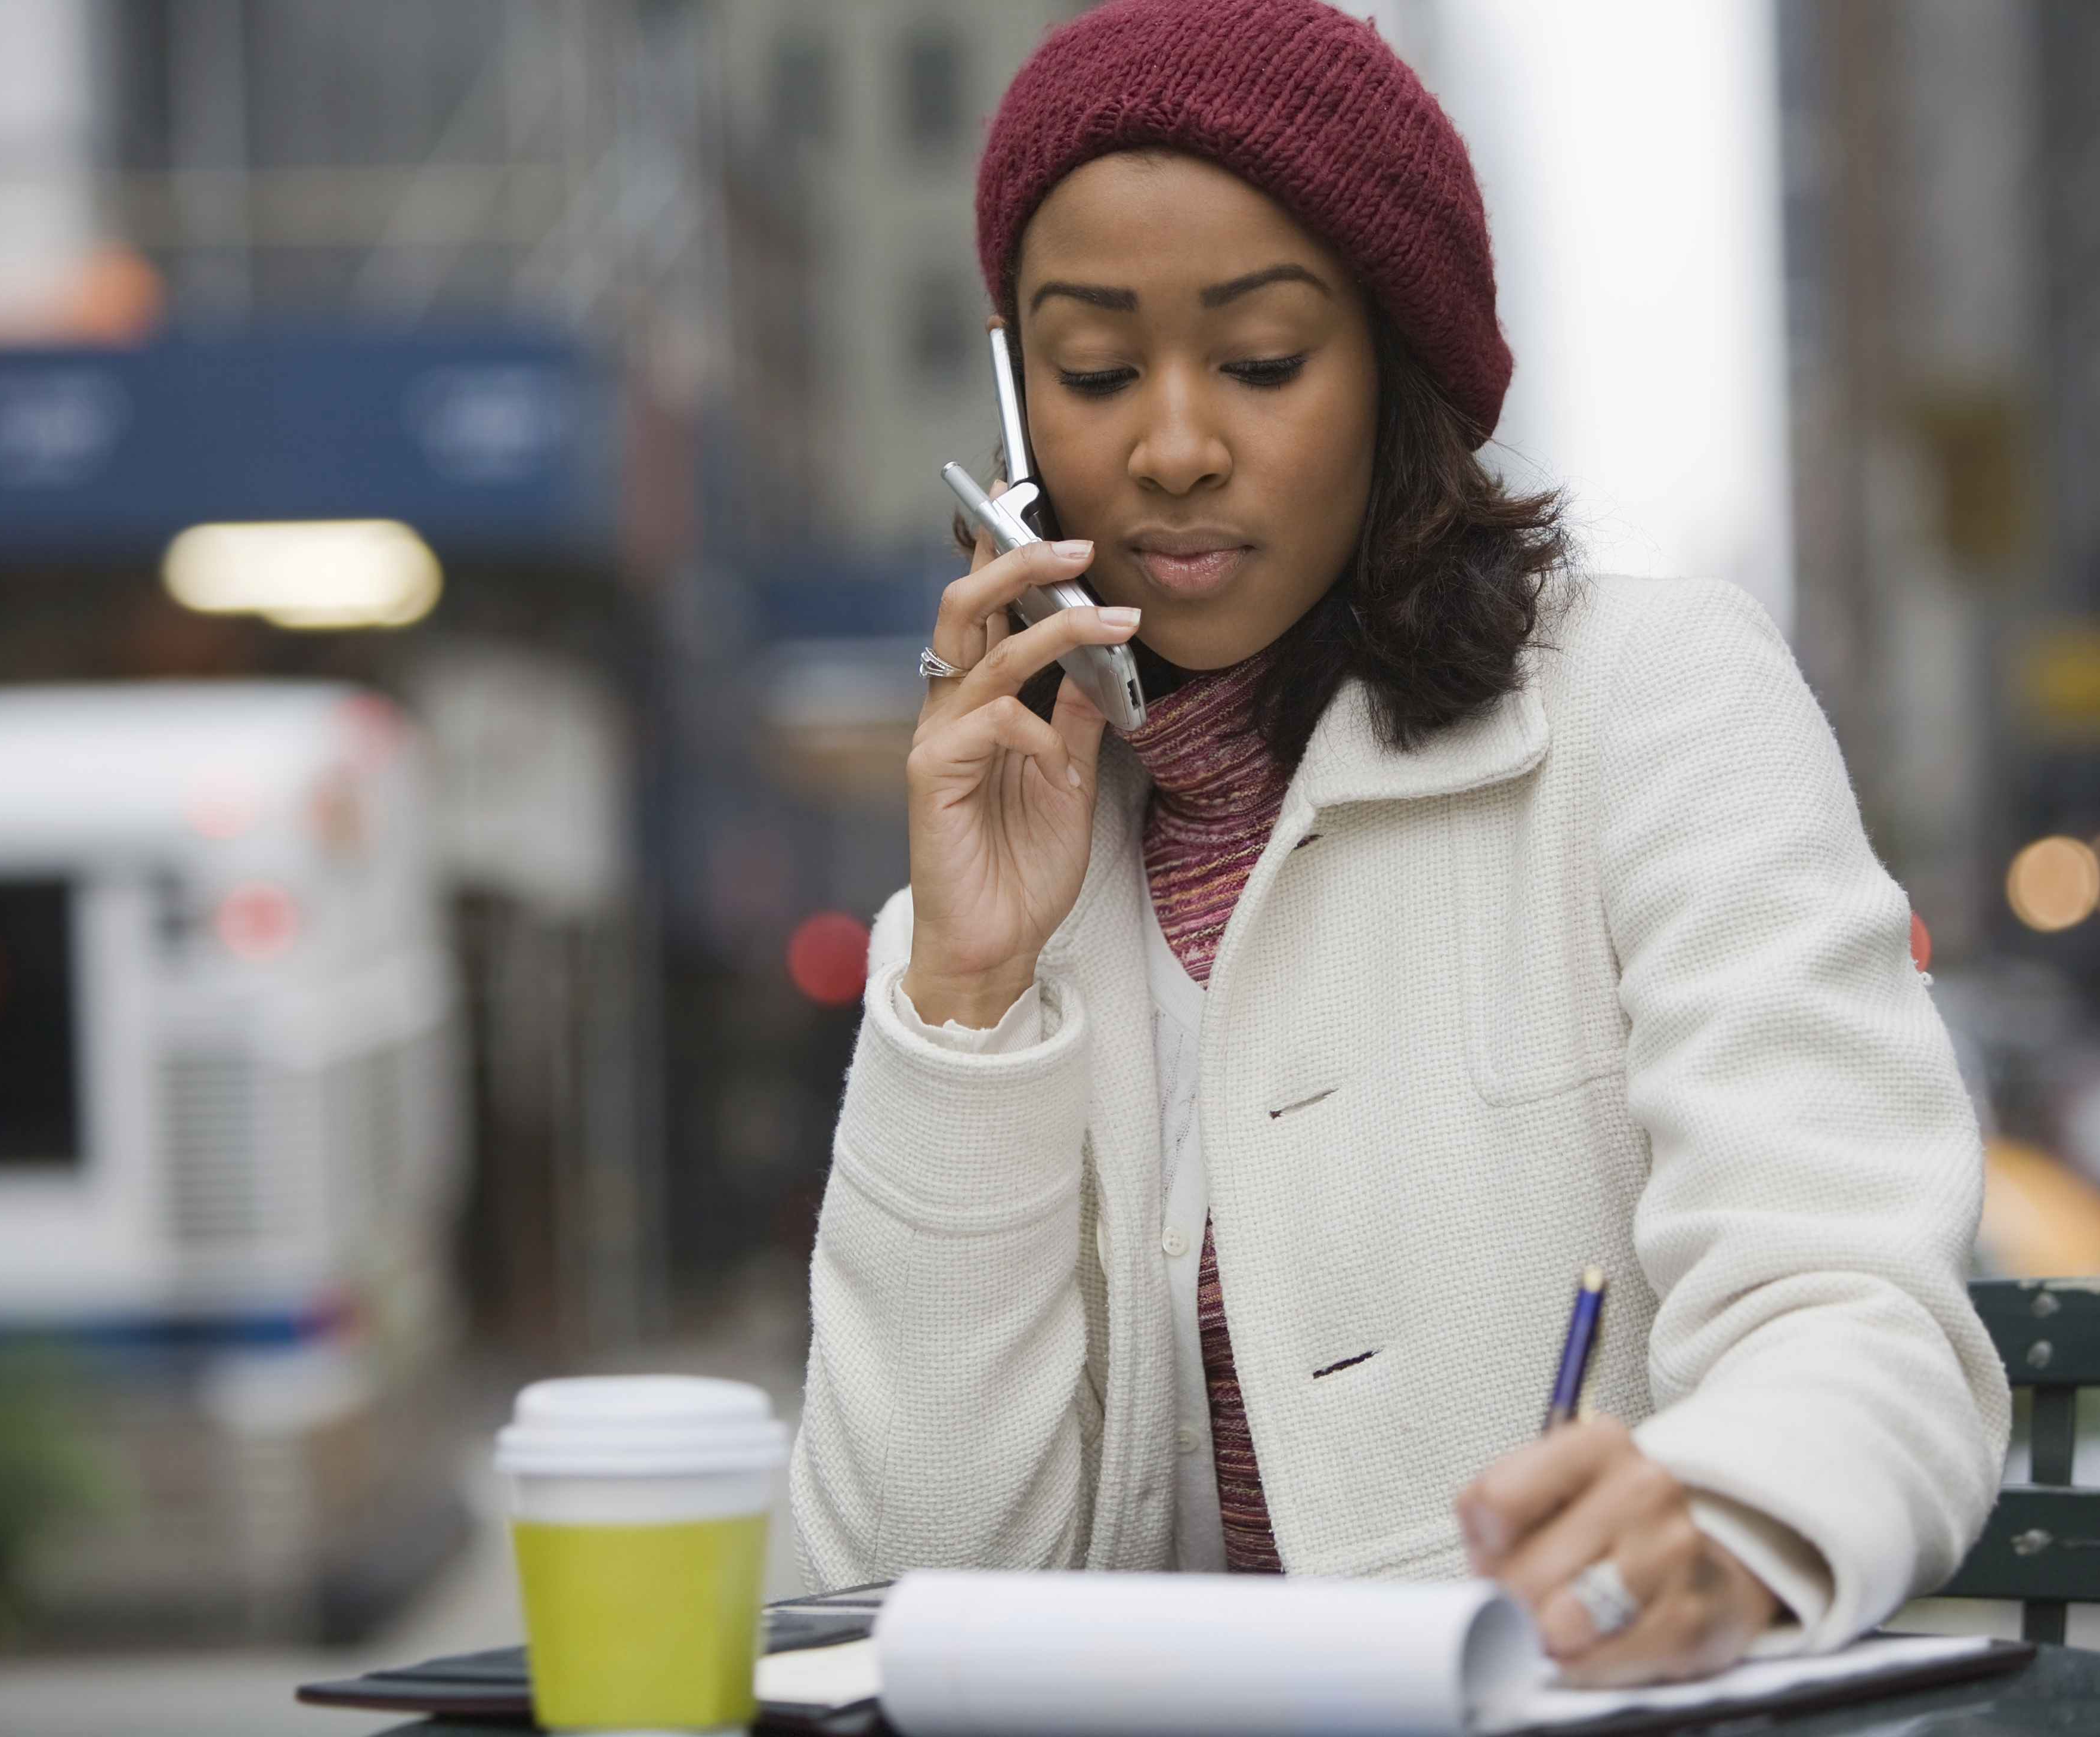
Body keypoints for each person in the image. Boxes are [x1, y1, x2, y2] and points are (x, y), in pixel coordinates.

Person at [790, 0, 2008, 1687]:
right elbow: (894, 1581)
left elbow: (1857, 1308)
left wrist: (1715, 1531)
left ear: (1396, 375)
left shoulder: (1653, 705)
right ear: (1011, 408)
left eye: (1265, 360)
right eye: (1090, 372)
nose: (1172, 444)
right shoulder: (1014, 861)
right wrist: (968, 998)